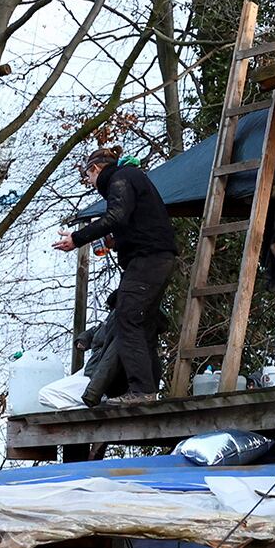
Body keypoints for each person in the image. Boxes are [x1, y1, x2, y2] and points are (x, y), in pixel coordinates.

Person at [53, 146, 177, 404]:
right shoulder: (133, 178)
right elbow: (137, 222)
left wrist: (77, 238)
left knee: (127, 319)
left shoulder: (119, 179)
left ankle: (142, 391)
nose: (90, 182)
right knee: (144, 324)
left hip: (147, 261)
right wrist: (115, 241)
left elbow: (116, 215)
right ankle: (149, 389)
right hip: (156, 258)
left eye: (88, 176)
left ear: (96, 169)